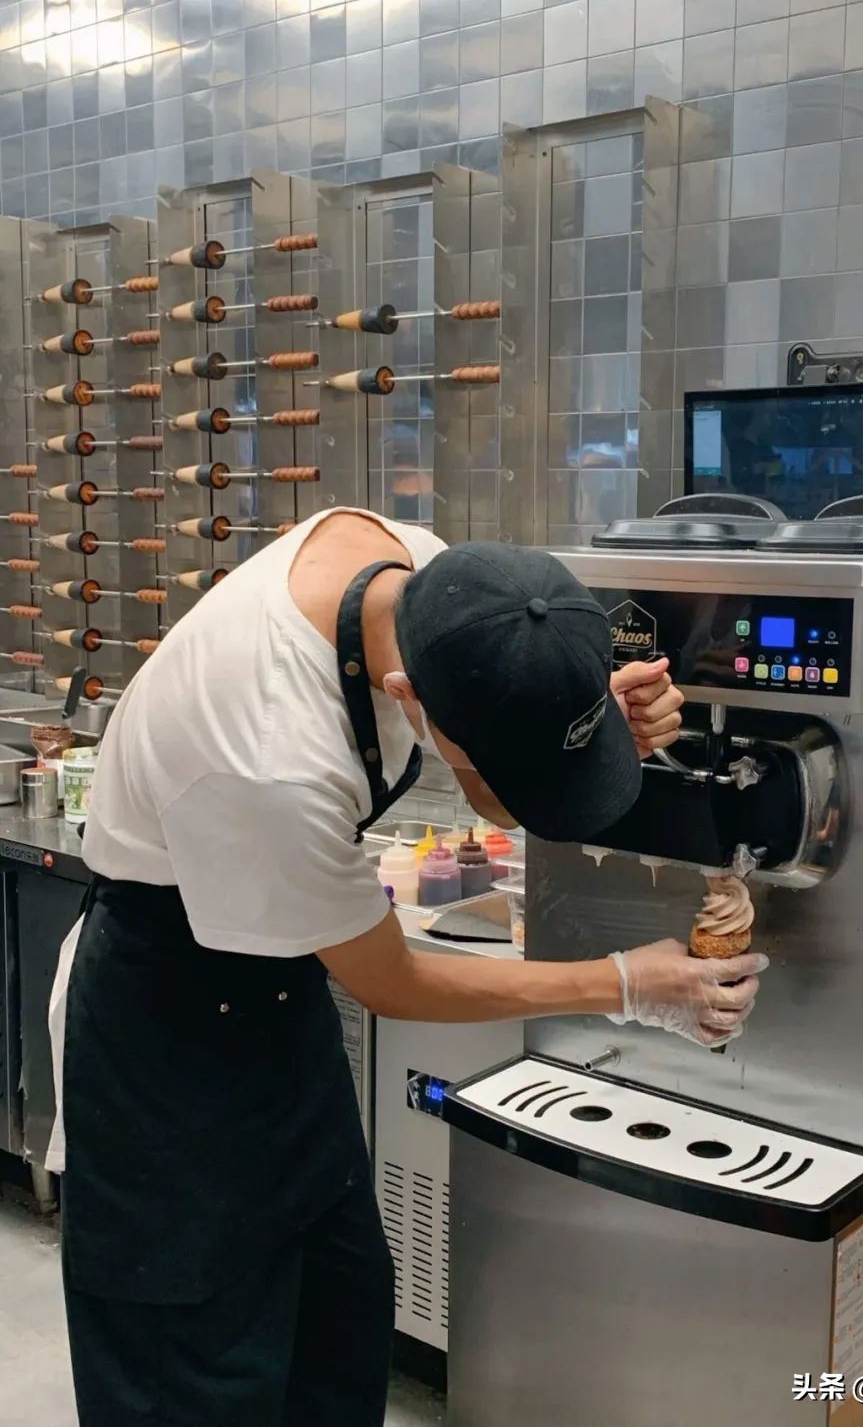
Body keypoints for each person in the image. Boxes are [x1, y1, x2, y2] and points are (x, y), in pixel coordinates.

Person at [47, 506, 764, 1426]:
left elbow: (502, 746)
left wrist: (584, 713)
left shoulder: (444, 585)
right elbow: (393, 981)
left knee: (337, 1335)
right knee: (189, 1375)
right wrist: (628, 985)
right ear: (412, 703)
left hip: (278, 1007)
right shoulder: (269, 752)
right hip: (165, 1030)